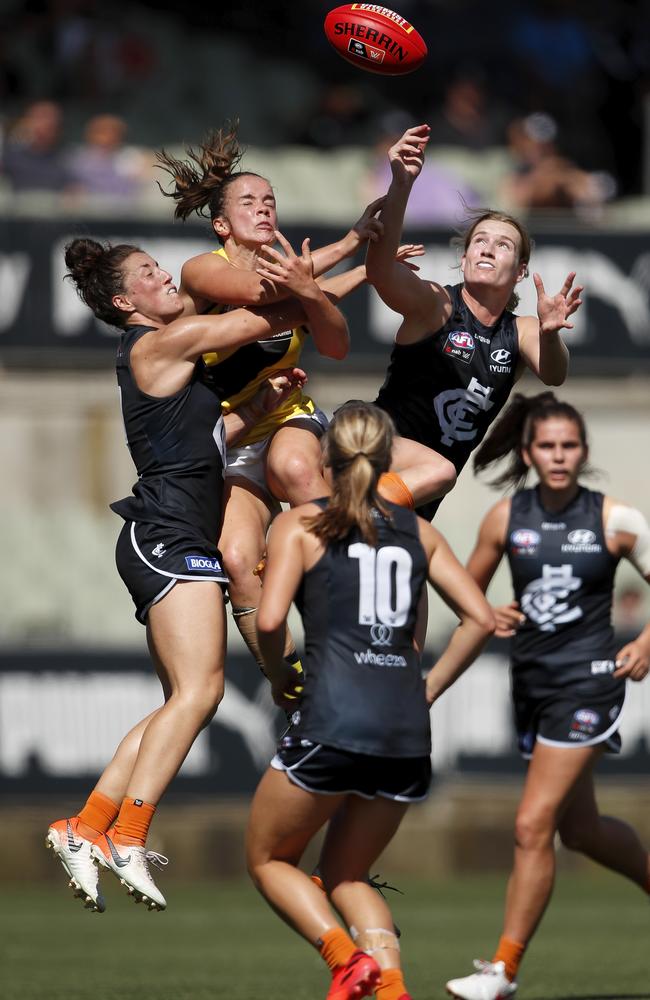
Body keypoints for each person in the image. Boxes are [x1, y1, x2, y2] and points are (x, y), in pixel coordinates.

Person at [46, 231, 349, 914]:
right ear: (127, 301)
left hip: (176, 534)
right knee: (201, 692)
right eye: (151, 274)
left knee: (181, 699)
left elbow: (208, 441)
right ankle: (129, 834)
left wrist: (264, 406)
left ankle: (86, 826)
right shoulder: (156, 344)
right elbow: (257, 319)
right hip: (166, 535)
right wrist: (341, 268)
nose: (166, 278)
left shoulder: (179, 366)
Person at [155, 124, 448, 680]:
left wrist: (352, 267)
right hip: (232, 436)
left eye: (271, 201)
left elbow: (334, 345)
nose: (264, 209)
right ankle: (290, 684)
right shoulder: (201, 269)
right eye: (249, 202)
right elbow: (261, 294)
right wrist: (349, 245)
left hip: (286, 418)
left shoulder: (292, 276)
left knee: (293, 464)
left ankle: (345, 629)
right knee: (239, 562)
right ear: (221, 224)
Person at [246, 401, 495, 1000]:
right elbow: (481, 619)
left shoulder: (301, 524)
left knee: (269, 860)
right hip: (405, 728)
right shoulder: (420, 530)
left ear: (324, 458)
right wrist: (427, 686)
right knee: (346, 874)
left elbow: (272, 617)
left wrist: (281, 677)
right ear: (388, 460)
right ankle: (390, 989)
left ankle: (345, 961)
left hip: (334, 717)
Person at [433, 391, 650, 1000]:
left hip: (590, 685)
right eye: (547, 446)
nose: (559, 456)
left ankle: (502, 970)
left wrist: (647, 642)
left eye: (569, 446)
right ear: (528, 452)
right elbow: (463, 590)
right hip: (532, 686)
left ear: (583, 453)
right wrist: (486, 612)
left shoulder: (616, 520)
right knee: (580, 830)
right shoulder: (505, 519)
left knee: (532, 827)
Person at [365, 123, 583, 521]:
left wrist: (551, 334)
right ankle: (345, 510)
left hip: (415, 495)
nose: (487, 248)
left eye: (503, 245)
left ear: (519, 272)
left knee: (413, 581)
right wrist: (401, 186)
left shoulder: (521, 331)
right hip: (369, 446)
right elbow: (380, 270)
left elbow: (554, 374)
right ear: (463, 259)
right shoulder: (436, 305)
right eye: (479, 241)